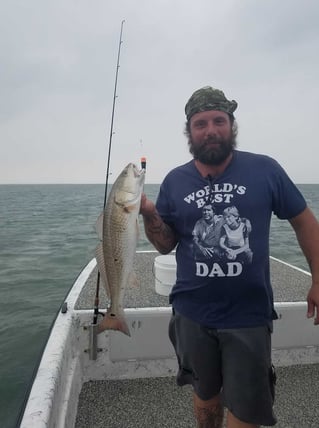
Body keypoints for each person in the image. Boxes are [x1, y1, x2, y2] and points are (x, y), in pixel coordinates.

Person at [140, 86, 319, 428]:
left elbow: (305, 223)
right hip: (191, 313)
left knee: (247, 410)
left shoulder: (265, 170)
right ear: (189, 131)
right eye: (200, 123)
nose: (210, 130)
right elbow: (165, 245)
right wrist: (149, 213)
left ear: (231, 125)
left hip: (248, 316)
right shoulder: (176, 181)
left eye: (218, 121)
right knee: (205, 397)